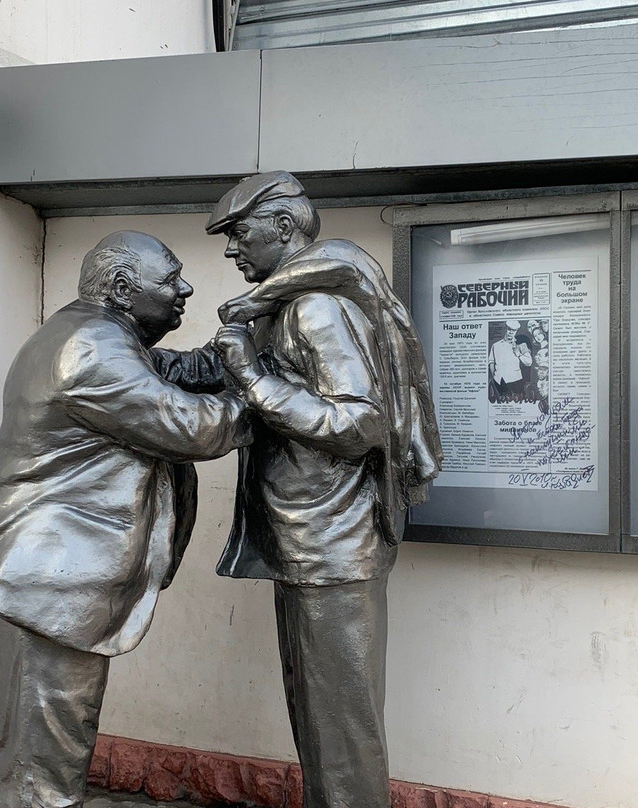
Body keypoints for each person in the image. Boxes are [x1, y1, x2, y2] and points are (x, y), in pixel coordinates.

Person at [0, 231, 251, 808]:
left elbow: (177, 370)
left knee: (48, 756)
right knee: (42, 774)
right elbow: (193, 425)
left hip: (40, 583)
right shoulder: (91, 346)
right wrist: (269, 393)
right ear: (121, 290)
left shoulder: (95, 334)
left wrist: (239, 353)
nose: (185, 289)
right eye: (170, 280)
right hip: (39, 589)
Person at [205, 171, 443, 808]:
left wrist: (253, 381)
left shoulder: (316, 307)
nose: (232, 248)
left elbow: (357, 421)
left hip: (333, 548)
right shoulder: (283, 306)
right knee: (318, 720)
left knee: (340, 727)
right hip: (310, 545)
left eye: (240, 231)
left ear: (284, 228)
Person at [488, 319, 524, 400]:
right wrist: (495, 375)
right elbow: (491, 362)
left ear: (516, 332)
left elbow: (528, 362)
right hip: (499, 381)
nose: (511, 332)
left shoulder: (520, 345)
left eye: (513, 331)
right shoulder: (495, 346)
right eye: (509, 329)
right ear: (506, 329)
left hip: (515, 381)